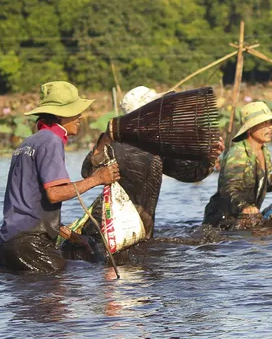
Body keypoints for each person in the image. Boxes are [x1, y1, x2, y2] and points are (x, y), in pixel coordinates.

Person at [0, 81, 121, 273]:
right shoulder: (51, 141)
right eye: (75, 111)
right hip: (29, 246)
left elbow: (33, 208)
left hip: (6, 246)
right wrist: (97, 178)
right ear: (60, 115)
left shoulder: (27, 143)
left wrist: (73, 237)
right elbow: (54, 194)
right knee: (65, 288)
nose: (80, 117)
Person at [80, 86, 222, 241]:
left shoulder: (155, 147)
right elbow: (88, 171)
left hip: (137, 230)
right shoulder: (118, 145)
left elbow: (188, 174)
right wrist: (105, 140)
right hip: (108, 229)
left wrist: (209, 157)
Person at [203, 102, 272, 229]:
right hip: (222, 219)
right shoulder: (238, 154)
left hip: (247, 218)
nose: (270, 127)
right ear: (250, 128)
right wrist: (244, 206)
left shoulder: (265, 152)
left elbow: (259, 182)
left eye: (270, 123)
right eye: (264, 123)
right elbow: (228, 189)